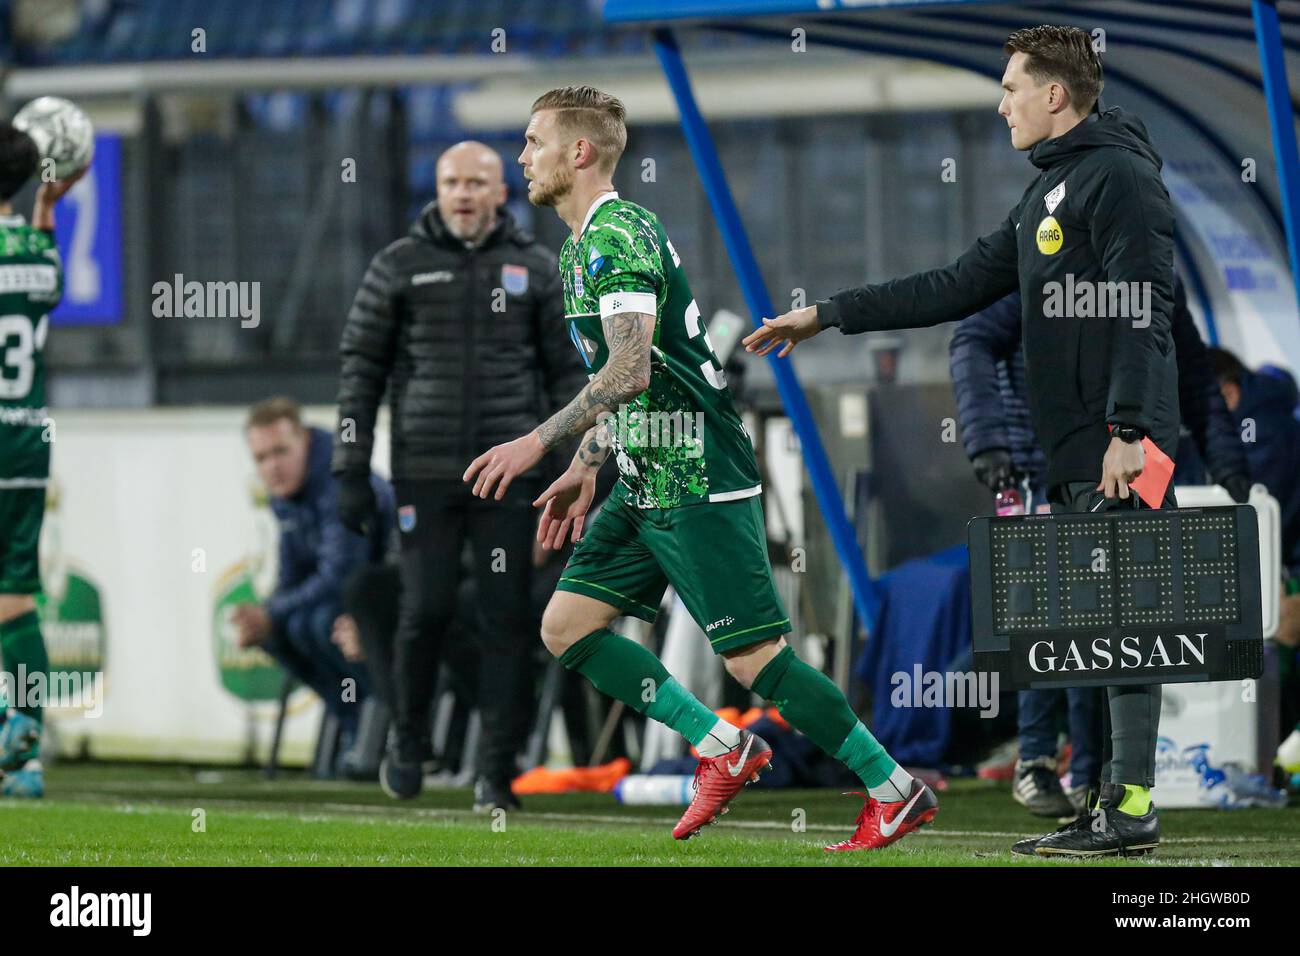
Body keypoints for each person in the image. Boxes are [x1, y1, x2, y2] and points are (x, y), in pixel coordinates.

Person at [462, 85, 937, 850]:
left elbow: (630, 371)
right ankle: (725, 746)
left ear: (578, 152)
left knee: (755, 661)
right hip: (646, 472)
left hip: (696, 474)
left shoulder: (617, 234)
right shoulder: (582, 243)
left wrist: (539, 441)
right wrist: (588, 462)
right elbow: (627, 383)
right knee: (566, 625)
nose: (522, 156)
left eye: (533, 141)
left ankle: (893, 788)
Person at [747, 26, 1178, 857]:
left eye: (1013, 85)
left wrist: (1128, 430)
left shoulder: (1118, 177)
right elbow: (953, 285)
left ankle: (1129, 808)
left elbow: (1142, 304)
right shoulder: (1051, 191)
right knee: (1101, 628)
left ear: (1056, 95)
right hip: (1082, 448)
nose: (1001, 101)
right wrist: (829, 313)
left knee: (1127, 626)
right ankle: (1109, 801)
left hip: (1121, 446)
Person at [332, 141, 587, 811]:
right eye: (452, 182)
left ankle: (496, 773)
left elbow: (568, 378)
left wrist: (564, 471)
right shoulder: (398, 267)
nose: (464, 193)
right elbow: (360, 371)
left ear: (502, 191)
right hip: (425, 473)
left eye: (477, 182)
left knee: (505, 621)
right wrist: (350, 470)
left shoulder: (536, 269)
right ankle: (408, 738)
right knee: (428, 610)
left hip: (510, 476)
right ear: (437, 190)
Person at [950, 278, 1251, 819]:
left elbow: (1195, 372)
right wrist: (990, 442)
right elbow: (971, 337)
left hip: (1136, 463)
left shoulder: (1154, 275)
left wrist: (1230, 466)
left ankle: (1104, 781)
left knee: (1131, 620)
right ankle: (1042, 760)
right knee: (1052, 617)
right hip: (1044, 465)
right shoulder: (1046, 263)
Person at [0, 124, 87, 799]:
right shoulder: (36, 251)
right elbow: (44, 289)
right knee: (15, 596)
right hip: (27, 443)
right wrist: (47, 207)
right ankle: (24, 750)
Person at [239, 397, 392, 768]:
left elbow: (340, 574)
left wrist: (272, 610)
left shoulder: (339, 481)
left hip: (388, 599)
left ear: (305, 441)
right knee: (279, 632)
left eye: (280, 452)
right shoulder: (286, 496)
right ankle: (353, 723)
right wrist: (265, 616)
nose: (272, 467)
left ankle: (383, 731)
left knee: (319, 625)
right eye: (261, 458)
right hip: (344, 600)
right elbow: (294, 573)